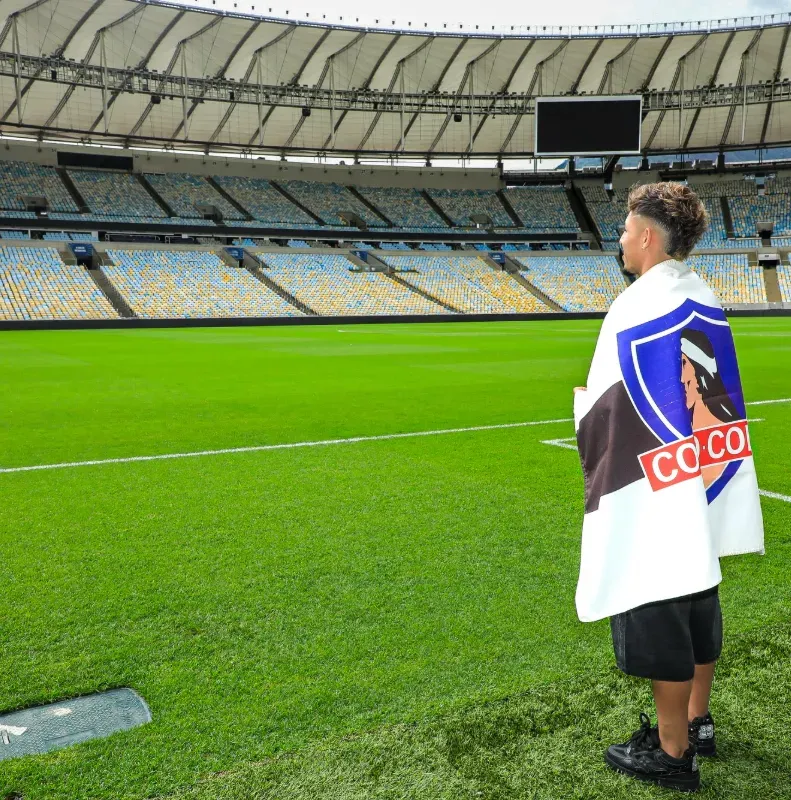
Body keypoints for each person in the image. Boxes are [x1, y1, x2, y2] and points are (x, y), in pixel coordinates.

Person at [572, 182, 764, 793]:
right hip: (702, 470)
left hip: (655, 483)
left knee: (660, 602)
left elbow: (612, 406)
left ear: (648, 236)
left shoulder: (636, 305)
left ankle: (674, 752)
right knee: (700, 592)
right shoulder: (701, 294)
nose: (622, 241)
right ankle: (699, 722)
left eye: (627, 230)